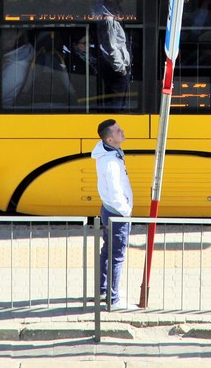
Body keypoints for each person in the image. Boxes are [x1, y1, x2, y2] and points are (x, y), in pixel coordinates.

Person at [92, 118, 134, 310]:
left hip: (109, 209)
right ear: (109, 140)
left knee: (107, 251)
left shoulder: (111, 153)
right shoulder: (110, 163)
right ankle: (113, 299)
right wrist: (126, 212)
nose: (122, 131)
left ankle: (103, 290)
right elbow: (116, 192)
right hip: (116, 213)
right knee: (116, 254)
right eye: (118, 131)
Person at [92, 0, 132, 110]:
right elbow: (110, 47)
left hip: (117, 68)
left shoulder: (111, 14)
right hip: (116, 69)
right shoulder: (108, 20)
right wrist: (121, 69)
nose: (120, 2)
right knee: (116, 105)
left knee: (117, 103)